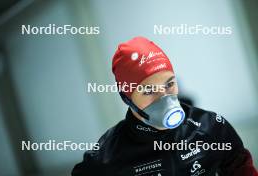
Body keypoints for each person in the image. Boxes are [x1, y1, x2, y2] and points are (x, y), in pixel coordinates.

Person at [72, 36, 258, 176]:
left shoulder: (211, 127)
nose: (165, 98)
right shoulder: (105, 157)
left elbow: (241, 167)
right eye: (149, 91)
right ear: (127, 97)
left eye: (169, 84)